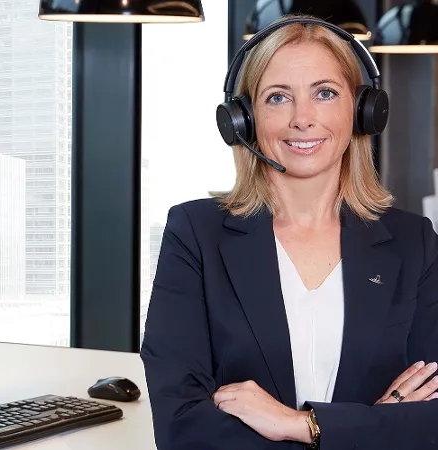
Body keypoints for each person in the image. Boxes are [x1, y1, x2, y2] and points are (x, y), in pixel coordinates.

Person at [140, 14, 438, 450]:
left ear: (362, 110)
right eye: (278, 97)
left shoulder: (415, 243)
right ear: (243, 120)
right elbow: (182, 426)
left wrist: (301, 425)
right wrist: (373, 425)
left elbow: (430, 422)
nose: (303, 119)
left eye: (325, 93)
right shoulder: (195, 235)